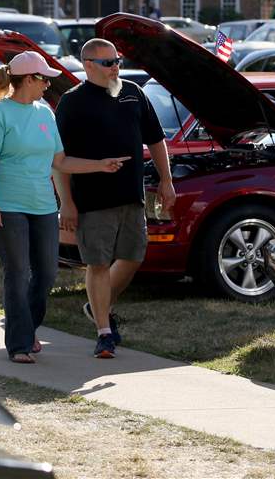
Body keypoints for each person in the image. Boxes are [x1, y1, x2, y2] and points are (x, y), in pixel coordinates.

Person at [0, 50, 128, 364]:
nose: (48, 84)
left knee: (46, 274)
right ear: (28, 79)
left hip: (43, 206)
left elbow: (60, 161)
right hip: (7, 205)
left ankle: (27, 328)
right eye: (44, 78)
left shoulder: (44, 112)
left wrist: (100, 165)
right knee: (18, 273)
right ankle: (19, 344)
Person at [55, 38, 175, 359]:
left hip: (131, 195)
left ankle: (97, 307)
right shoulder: (72, 103)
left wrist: (166, 180)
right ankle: (104, 332)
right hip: (92, 199)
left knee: (135, 256)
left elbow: (156, 139)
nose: (115, 67)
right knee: (97, 263)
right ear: (88, 65)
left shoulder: (133, 92)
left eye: (117, 60)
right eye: (108, 62)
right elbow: (59, 159)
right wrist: (66, 202)